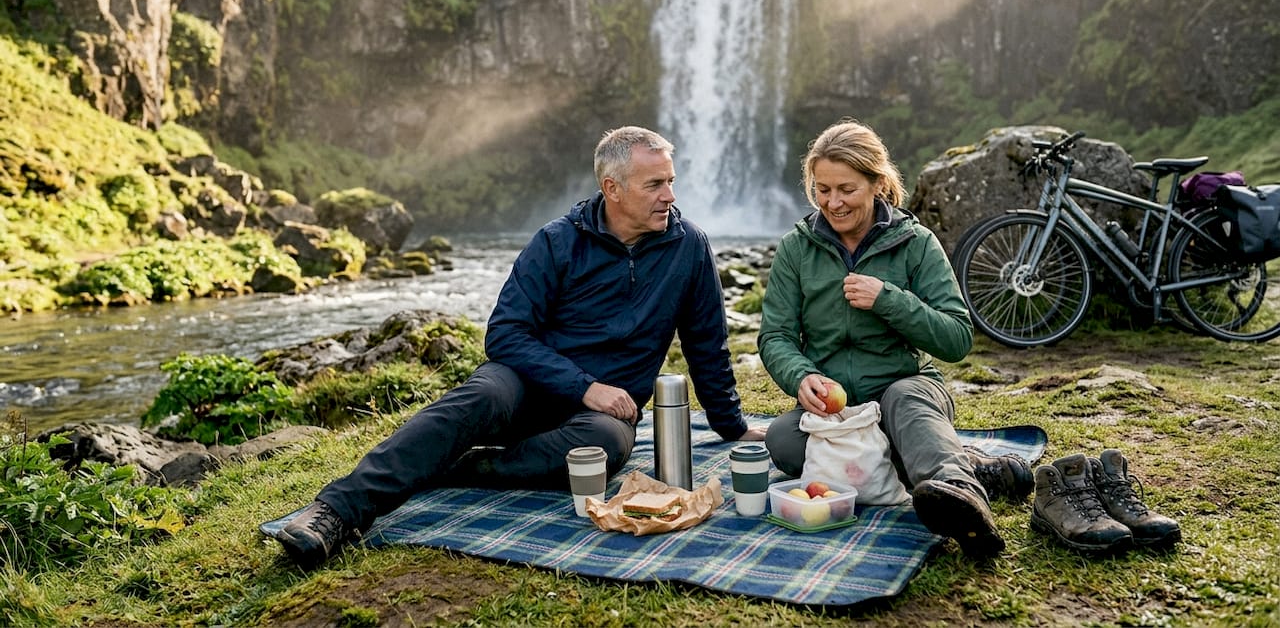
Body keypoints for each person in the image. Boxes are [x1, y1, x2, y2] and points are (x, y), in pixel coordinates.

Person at [273, 125, 766, 568]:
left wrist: (730, 424)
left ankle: (461, 466)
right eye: (655, 184)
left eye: (671, 181)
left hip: (598, 417)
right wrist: (585, 385)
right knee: (481, 395)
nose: (670, 196)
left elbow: (707, 343)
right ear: (611, 188)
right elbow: (505, 334)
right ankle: (334, 512)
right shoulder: (556, 242)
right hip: (522, 385)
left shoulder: (689, 247)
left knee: (610, 444)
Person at [757, 119, 1031, 559]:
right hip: (838, 411)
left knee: (906, 402)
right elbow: (776, 336)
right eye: (822, 189)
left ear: (877, 182)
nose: (833, 202)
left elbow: (957, 337)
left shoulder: (916, 243)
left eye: (846, 188)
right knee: (784, 441)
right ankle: (967, 465)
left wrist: (889, 299)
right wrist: (801, 375)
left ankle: (964, 496)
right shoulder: (797, 247)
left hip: (903, 389)